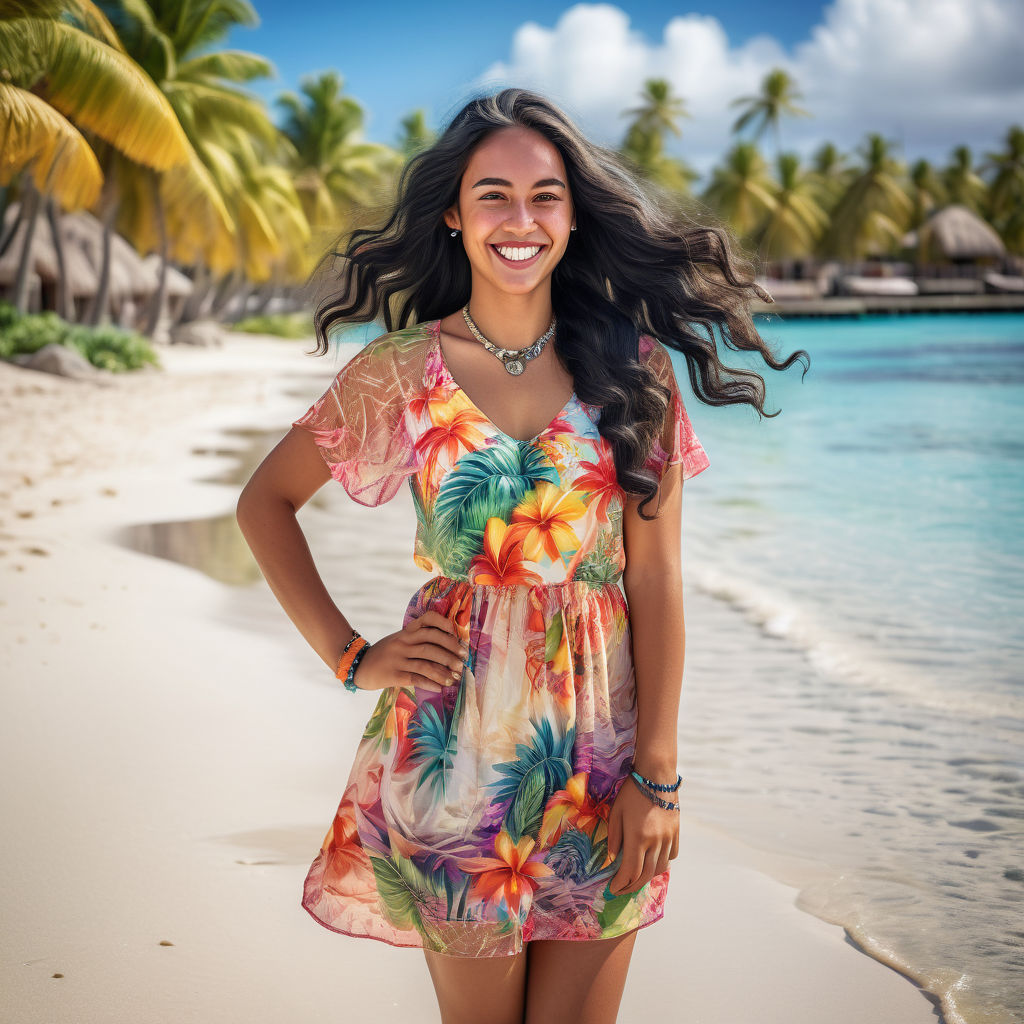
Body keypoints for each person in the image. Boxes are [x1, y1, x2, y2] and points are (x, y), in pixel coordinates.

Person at [236, 87, 808, 1024]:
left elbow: (657, 583)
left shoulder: (634, 370)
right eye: (493, 194)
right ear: (454, 217)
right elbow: (266, 501)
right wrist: (351, 656)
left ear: (574, 219)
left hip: (604, 759)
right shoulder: (401, 371)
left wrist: (656, 778)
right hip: (451, 760)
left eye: (545, 196)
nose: (520, 219)